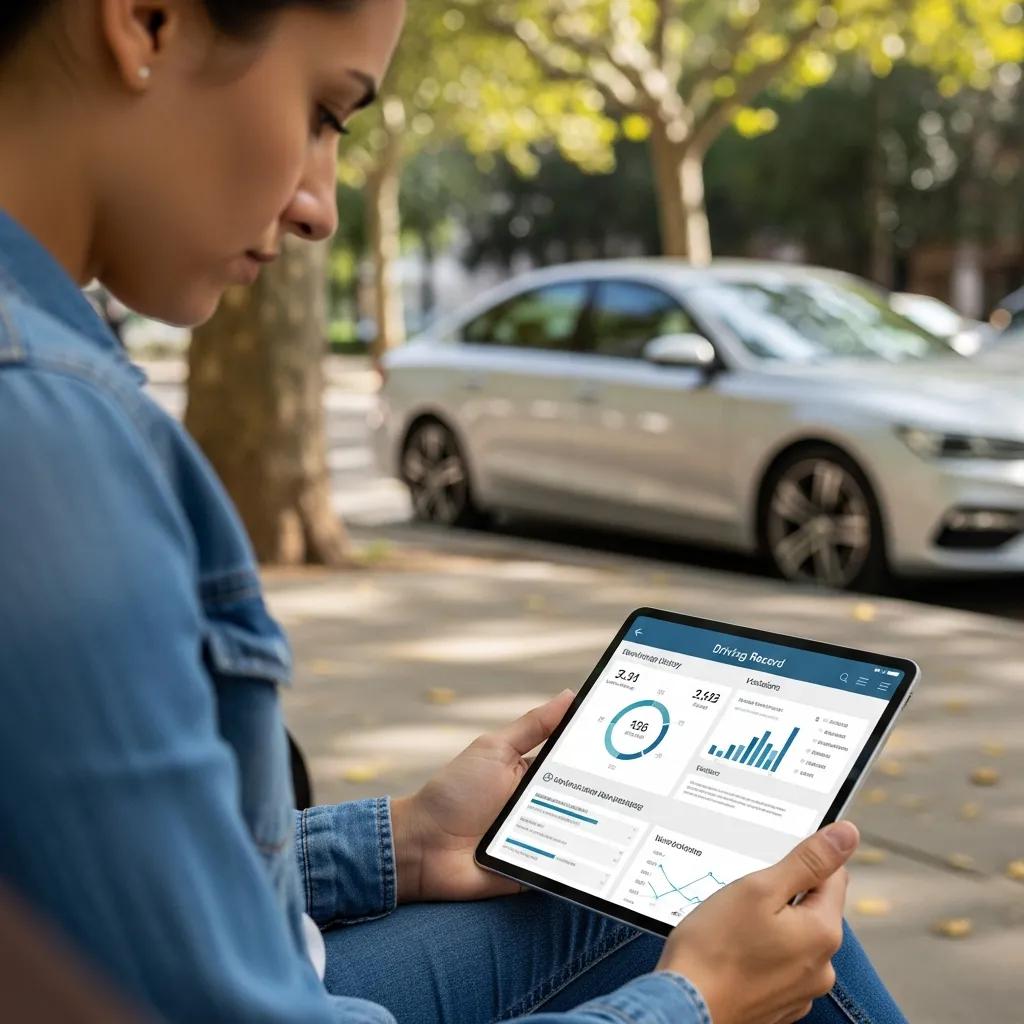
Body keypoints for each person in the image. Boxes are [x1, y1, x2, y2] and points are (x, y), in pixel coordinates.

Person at [0, 2, 908, 1022]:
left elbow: (106, 874)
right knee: (728, 923)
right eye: (324, 112)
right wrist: (692, 1005)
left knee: (680, 893)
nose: (318, 208)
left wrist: (406, 841)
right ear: (148, 20)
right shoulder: (44, 428)